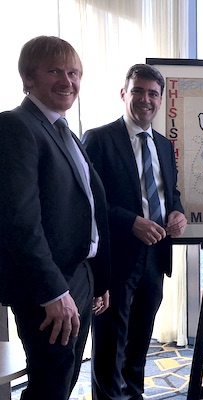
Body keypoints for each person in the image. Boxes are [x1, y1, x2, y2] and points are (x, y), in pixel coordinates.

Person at [0, 36, 111, 400]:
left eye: (73, 73)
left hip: (78, 275)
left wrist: (96, 279)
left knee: (65, 375)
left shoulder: (64, 131)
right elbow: (19, 222)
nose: (67, 81)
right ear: (28, 78)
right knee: (50, 383)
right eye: (54, 71)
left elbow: (87, 207)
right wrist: (53, 290)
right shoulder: (16, 126)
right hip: (48, 284)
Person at [83, 63, 187, 400]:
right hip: (115, 259)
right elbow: (87, 203)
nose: (146, 99)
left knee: (140, 343)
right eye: (138, 91)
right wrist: (131, 222)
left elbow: (171, 194)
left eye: (153, 94)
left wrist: (178, 213)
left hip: (155, 256)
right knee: (110, 345)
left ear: (160, 100)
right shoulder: (99, 139)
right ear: (123, 94)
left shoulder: (164, 145)